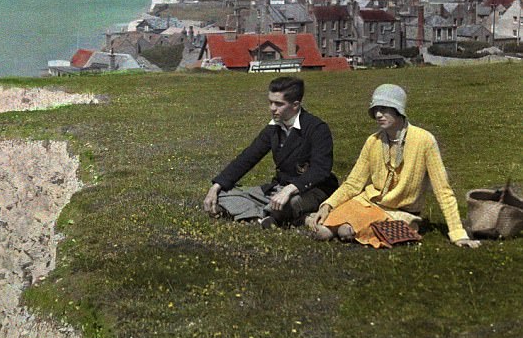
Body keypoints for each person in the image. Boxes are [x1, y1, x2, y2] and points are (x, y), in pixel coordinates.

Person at [308, 83, 480, 248]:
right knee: (322, 231)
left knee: (346, 231)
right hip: (368, 203)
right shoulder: (373, 141)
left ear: (398, 110)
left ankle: (348, 226)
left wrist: (458, 233)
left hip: (400, 213)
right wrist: (328, 205)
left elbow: (443, 190)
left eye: (384, 109)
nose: (378, 115)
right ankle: (319, 219)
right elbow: (353, 183)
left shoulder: (424, 140)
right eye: (375, 110)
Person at [202, 76, 339, 227]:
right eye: (270, 102)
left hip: (312, 189)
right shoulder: (274, 127)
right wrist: (216, 186)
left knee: (290, 202)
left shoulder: (317, 128)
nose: (272, 108)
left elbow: (321, 170)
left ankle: (265, 215)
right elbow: (248, 157)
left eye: (279, 104)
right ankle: (271, 216)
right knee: (223, 195)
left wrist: (289, 190)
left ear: (295, 105)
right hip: (279, 190)